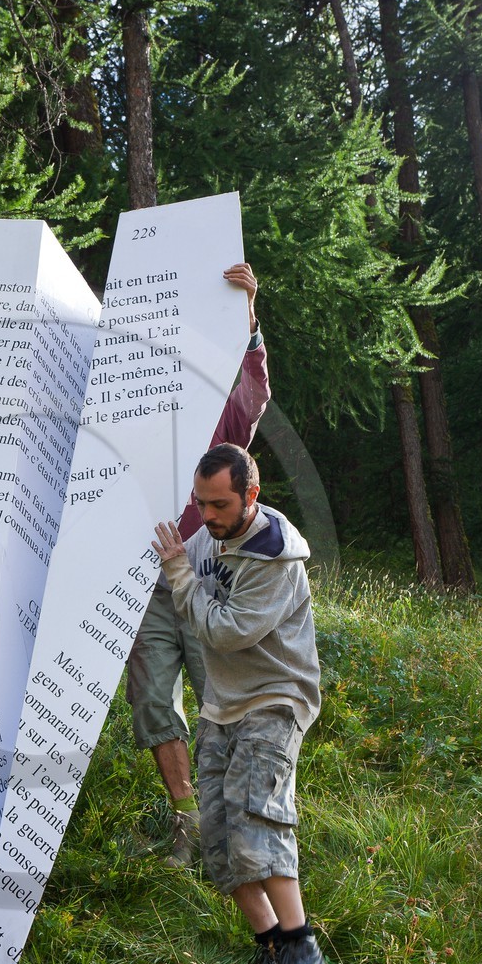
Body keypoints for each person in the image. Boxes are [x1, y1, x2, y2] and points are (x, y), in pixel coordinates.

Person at [153, 443, 334, 964]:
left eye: (220, 504)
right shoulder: (210, 536)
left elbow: (225, 633)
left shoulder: (275, 557)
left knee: (258, 815)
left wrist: (180, 575)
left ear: (250, 495)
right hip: (223, 705)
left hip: (276, 699)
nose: (206, 517)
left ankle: (306, 956)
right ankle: (272, 951)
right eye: (201, 503)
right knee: (219, 839)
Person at [126, 262, 270, 866]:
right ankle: (187, 824)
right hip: (139, 578)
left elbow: (256, 389)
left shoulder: (222, 419)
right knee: (155, 700)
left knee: (221, 697)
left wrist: (248, 314)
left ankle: (234, 820)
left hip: (210, 577)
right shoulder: (126, 411)